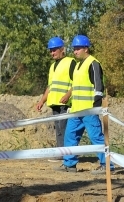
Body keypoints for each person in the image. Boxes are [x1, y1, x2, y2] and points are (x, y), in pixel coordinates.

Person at [55, 35, 112, 174]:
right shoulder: (78, 66)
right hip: (76, 110)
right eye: (74, 49)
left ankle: (107, 165)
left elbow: (98, 86)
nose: (75, 51)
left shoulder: (93, 63)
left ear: (86, 49)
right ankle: (69, 164)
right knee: (70, 136)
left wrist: (96, 107)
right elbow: (76, 87)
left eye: (78, 49)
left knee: (96, 137)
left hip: (89, 110)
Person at [35, 37, 75, 149]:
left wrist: (68, 95)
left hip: (65, 103)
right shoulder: (52, 66)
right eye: (50, 50)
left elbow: (76, 82)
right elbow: (50, 86)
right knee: (58, 129)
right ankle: (61, 152)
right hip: (55, 103)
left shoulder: (70, 62)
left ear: (62, 49)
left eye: (54, 50)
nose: (52, 53)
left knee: (64, 129)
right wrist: (42, 101)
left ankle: (66, 154)